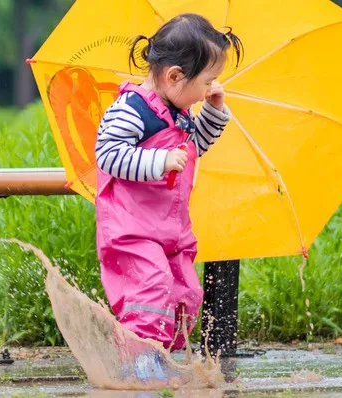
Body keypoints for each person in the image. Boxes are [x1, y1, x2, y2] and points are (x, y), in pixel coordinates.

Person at [95, 13, 243, 378]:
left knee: (185, 294)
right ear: (174, 76)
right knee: (150, 289)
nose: (211, 86)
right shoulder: (133, 110)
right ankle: (138, 363)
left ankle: (163, 354)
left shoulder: (180, 111)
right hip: (132, 229)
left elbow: (195, 149)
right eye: (207, 81)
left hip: (170, 229)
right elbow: (108, 154)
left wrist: (212, 111)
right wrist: (159, 160)